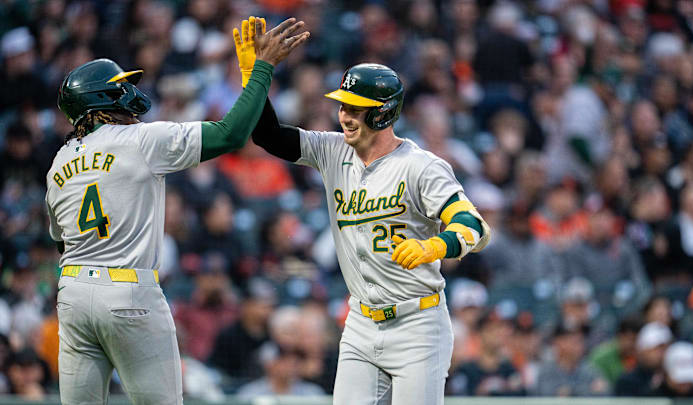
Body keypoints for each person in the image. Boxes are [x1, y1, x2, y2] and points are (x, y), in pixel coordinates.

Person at [45, 17, 309, 405]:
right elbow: (231, 134)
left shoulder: (58, 162)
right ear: (100, 101)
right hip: (127, 289)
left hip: (73, 293)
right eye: (121, 88)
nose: (131, 93)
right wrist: (261, 69)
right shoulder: (141, 139)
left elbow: (60, 241)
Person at [235, 17, 491, 405]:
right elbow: (268, 135)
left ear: (384, 112)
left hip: (417, 323)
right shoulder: (332, 149)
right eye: (344, 106)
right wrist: (256, 75)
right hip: (361, 322)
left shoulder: (421, 165)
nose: (346, 116)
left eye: (357, 108)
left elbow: (474, 224)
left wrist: (435, 247)